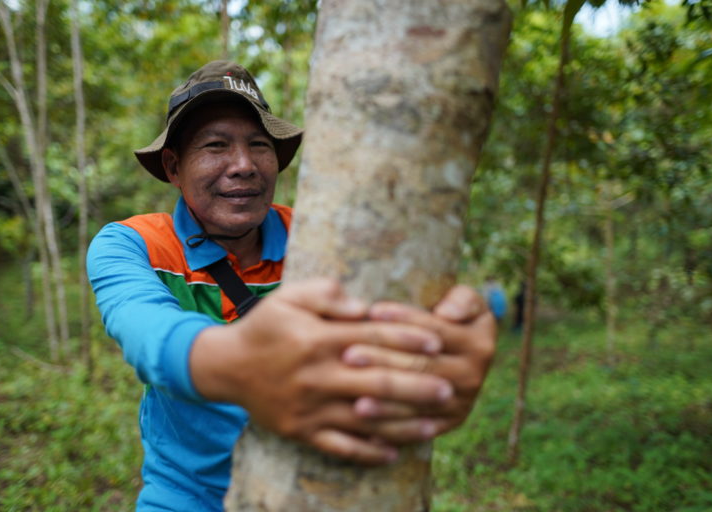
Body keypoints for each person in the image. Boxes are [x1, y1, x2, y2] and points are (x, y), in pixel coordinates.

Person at [87, 60, 496, 512]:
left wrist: (443, 355)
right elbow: (145, 330)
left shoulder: (321, 243)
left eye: (258, 145)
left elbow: (397, 331)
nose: (243, 165)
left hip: (317, 489)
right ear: (174, 166)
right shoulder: (132, 244)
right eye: (216, 145)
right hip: (188, 497)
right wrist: (246, 366)